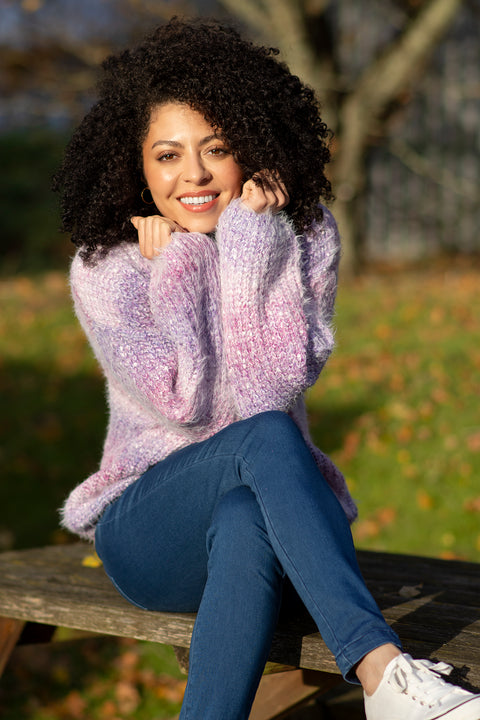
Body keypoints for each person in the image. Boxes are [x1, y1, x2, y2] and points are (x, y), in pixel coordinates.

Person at [53, 17, 480, 720]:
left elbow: (270, 389)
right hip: (150, 533)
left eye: (215, 147)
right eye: (166, 155)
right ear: (136, 166)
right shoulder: (109, 271)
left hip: (274, 526)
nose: (191, 174)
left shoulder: (301, 237)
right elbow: (186, 402)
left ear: (249, 146)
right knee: (266, 441)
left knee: (252, 499)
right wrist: (182, 267)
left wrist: (253, 249)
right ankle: (382, 674)